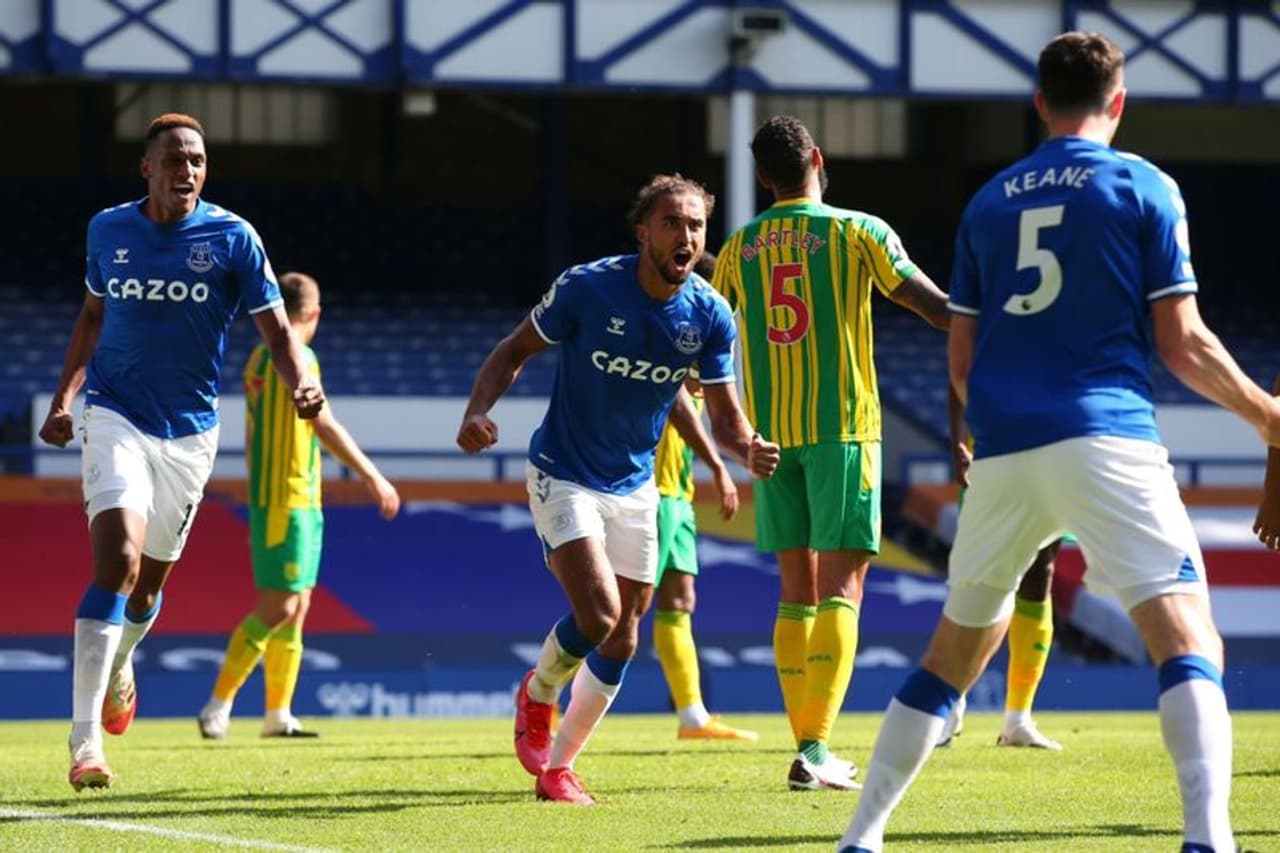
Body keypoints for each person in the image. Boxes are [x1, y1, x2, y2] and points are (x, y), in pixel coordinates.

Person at [839, 31, 1280, 852]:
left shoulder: (988, 201)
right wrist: (1266, 415)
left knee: (949, 656)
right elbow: (1183, 342)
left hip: (1003, 449)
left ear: (1040, 103)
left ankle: (860, 837)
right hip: (1107, 436)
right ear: (1119, 101)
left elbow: (961, 362)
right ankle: (1208, 838)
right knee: (1189, 639)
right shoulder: (1142, 184)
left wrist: (1001, 432)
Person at [457, 174, 780, 805]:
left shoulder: (711, 315)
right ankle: (539, 693)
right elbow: (514, 350)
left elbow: (723, 415)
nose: (686, 235)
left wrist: (747, 448)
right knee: (600, 615)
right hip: (563, 471)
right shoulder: (587, 288)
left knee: (626, 633)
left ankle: (559, 769)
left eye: (695, 225)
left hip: (637, 486)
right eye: (672, 223)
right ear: (643, 232)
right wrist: (477, 410)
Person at [39, 113, 325, 791]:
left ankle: (121, 663)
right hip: (115, 414)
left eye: (196, 160)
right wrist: (64, 398)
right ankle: (85, 741)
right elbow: (92, 316)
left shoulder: (233, 238)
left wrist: (300, 382)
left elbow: (277, 331)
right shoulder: (109, 230)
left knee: (148, 587)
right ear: (147, 167)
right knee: (118, 560)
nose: (187, 170)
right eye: (174, 160)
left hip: (190, 434)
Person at [710, 115, 949, 791]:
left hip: (771, 440)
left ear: (763, 177)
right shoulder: (859, 230)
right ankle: (814, 751)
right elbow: (933, 307)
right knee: (843, 587)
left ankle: (806, 745)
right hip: (842, 429)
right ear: (817, 158)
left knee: (796, 590)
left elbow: (708, 337)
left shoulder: (737, 249)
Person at [197, 271, 401, 740]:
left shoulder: (258, 357)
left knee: (298, 605)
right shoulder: (298, 357)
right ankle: (217, 705)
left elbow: (254, 431)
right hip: (284, 499)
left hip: (293, 497)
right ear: (314, 314)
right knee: (280, 604)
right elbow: (323, 423)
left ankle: (278, 714)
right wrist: (373, 477)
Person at [650, 252, 757, 744]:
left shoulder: (705, 343)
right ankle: (548, 698)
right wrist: (719, 465)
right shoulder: (670, 330)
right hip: (648, 491)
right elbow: (678, 399)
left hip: (678, 492)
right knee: (618, 609)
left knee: (679, 599)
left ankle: (692, 715)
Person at [935, 391, 1062, 751]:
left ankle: (1018, 719)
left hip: (1054, 451)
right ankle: (953, 699)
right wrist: (959, 442)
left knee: (1041, 574)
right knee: (982, 576)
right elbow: (958, 376)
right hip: (992, 453)